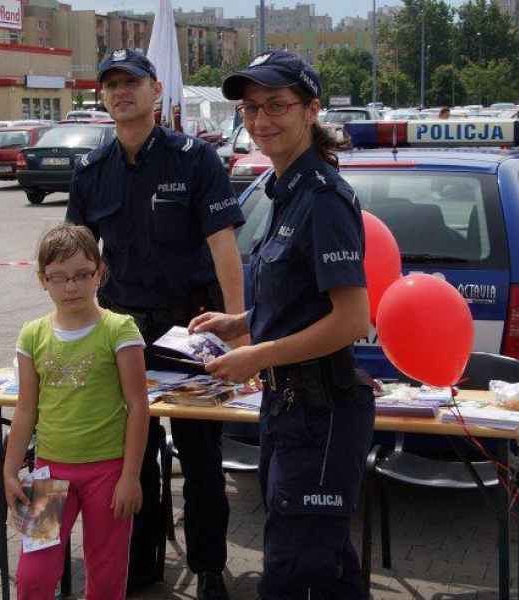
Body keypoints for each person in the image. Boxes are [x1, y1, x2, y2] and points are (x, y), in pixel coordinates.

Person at [191, 49, 375, 600]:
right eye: (250, 108)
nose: (261, 120)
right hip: (288, 409)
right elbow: (301, 300)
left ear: (311, 110)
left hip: (320, 414)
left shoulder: (322, 199)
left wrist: (258, 354)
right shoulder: (284, 192)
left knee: (293, 577)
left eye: (277, 105)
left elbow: (352, 319)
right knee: (329, 570)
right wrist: (239, 322)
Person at [65, 48, 245, 599]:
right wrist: (70, 329)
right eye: (111, 84)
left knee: (201, 454)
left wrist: (238, 329)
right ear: (102, 95)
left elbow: (224, 247)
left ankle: (210, 565)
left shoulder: (196, 159)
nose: (121, 92)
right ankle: (143, 562)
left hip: (190, 328)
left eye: (132, 82)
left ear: (156, 89)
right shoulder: (91, 171)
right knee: (133, 453)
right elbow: (77, 255)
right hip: (121, 332)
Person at [3, 224, 150, 600]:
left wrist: (131, 476)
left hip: (109, 472)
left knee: (105, 574)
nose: (72, 286)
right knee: (33, 577)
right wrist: (9, 470)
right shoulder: (32, 334)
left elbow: (138, 407)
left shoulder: (120, 329)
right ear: (43, 280)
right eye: (60, 278)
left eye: (83, 275)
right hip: (50, 471)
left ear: (99, 273)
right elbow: (25, 409)